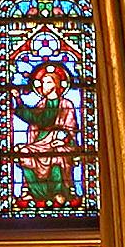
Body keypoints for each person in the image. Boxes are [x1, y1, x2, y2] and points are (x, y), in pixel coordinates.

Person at [12, 59, 81, 207]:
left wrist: (63, 139)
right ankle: (34, 192)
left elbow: (71, 127)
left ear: (56, 84)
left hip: (60, 142)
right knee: (23, 152)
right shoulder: (42, 104)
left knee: (57, 155)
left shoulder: (66, 104)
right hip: (40, 142)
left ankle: (59, 192)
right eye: (42, 83)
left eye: (48, 82)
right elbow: (36, 119)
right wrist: (18, 99)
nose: (44, 86)